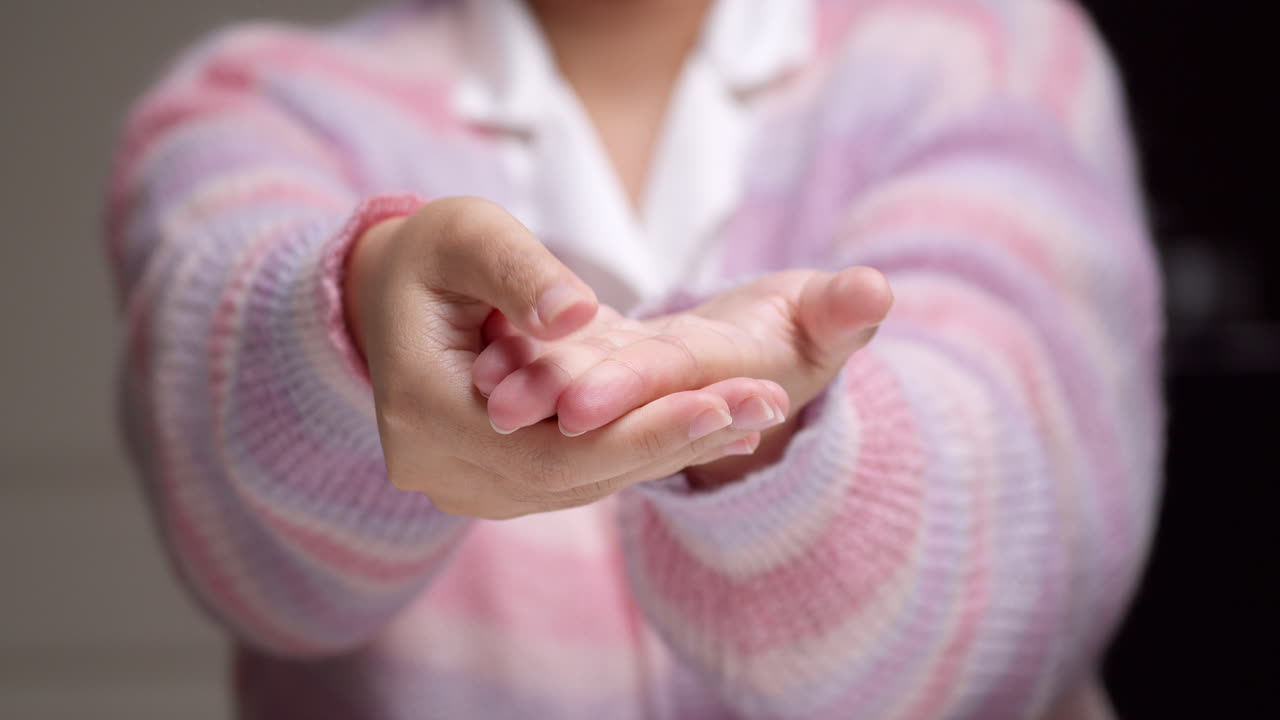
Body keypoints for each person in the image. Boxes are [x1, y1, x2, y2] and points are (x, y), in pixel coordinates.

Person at [105, 0, 1162, 717]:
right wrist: (351, 322)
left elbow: (1031, 527)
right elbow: (246, 543)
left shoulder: (992, 45)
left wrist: (762, 435)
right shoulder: (254, 103)